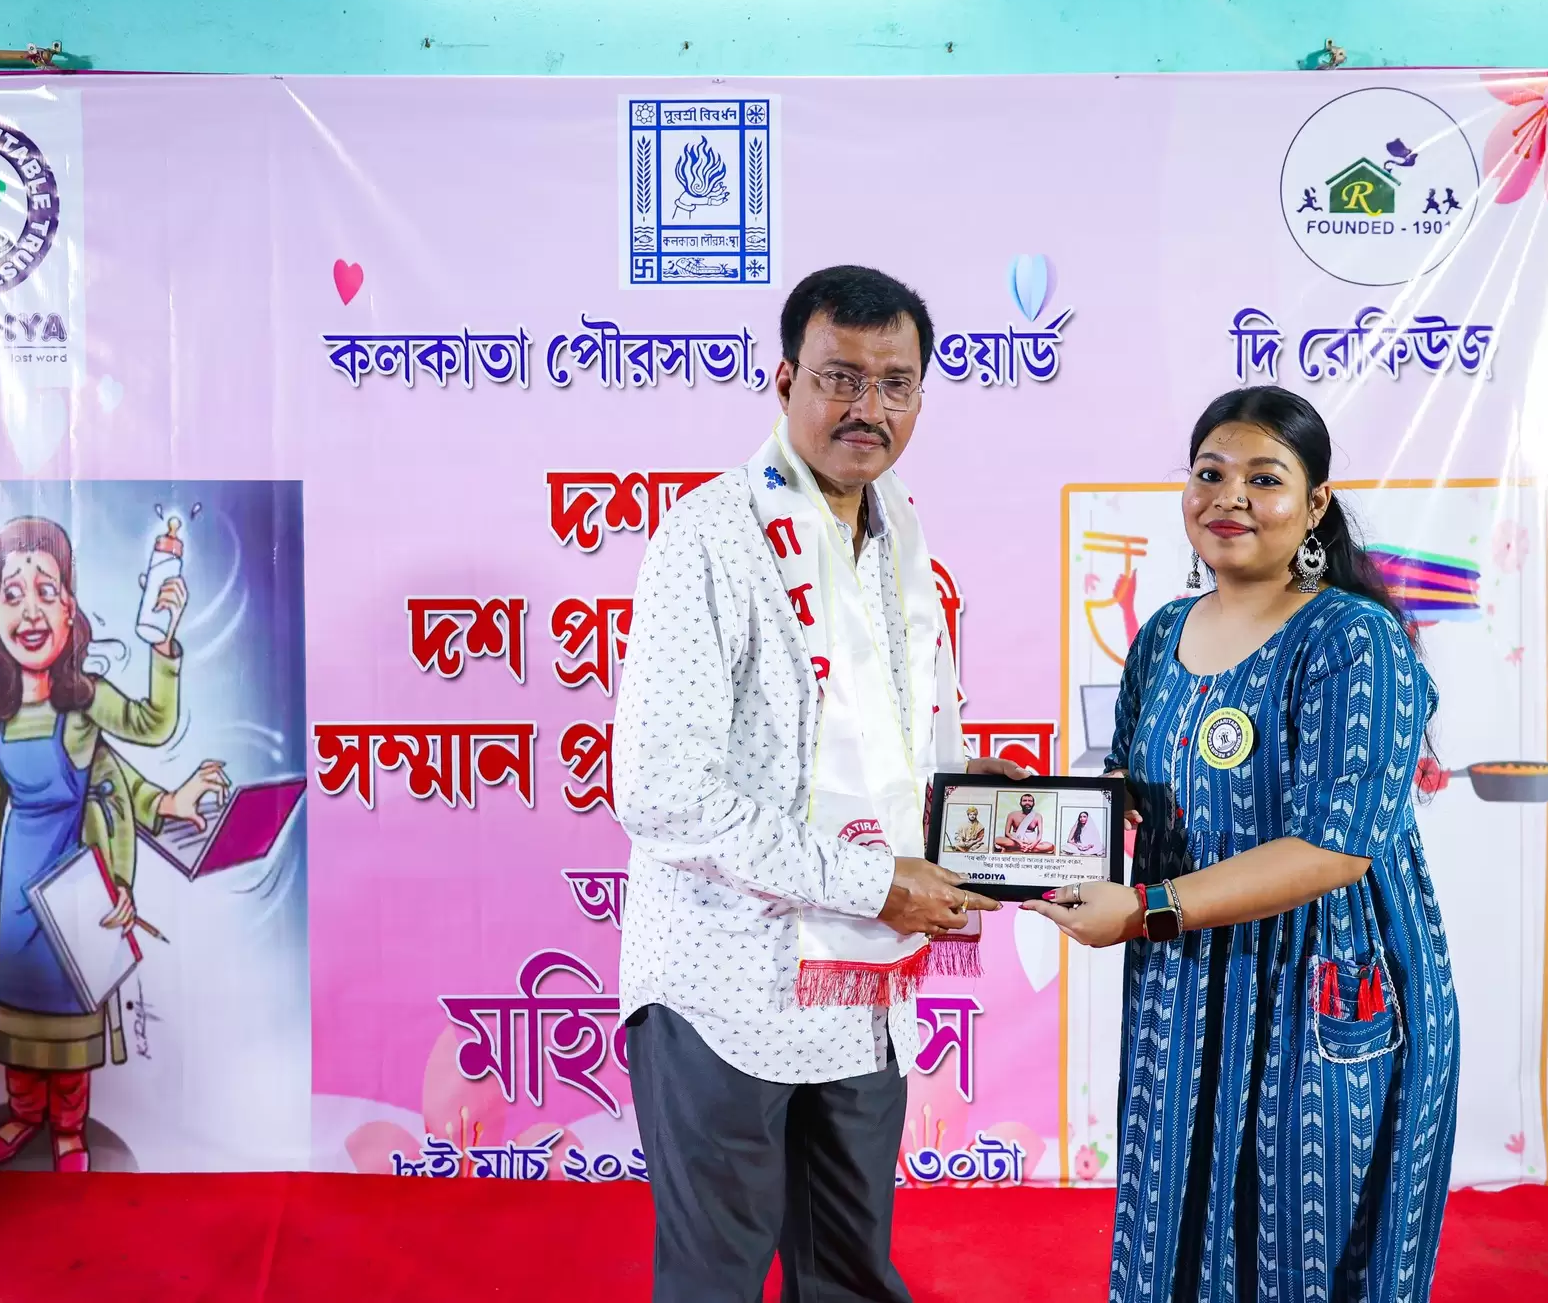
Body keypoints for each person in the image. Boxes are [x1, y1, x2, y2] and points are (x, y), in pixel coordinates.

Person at [616, 264, 1021, 1303]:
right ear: (786, 380)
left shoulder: (899, 536)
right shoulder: (708, 537)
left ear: (921, 396)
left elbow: (893, 742)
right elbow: (662, 790)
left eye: (895, 383)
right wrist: (872, 882)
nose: (866, 407)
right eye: (840, 377)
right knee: (712, 1281)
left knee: (847, 1275)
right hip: (722, 983)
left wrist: (977, 802)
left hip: (858, 995)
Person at [1027, 386, 1460, 1303]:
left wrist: (1145, 909)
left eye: (1264, 478)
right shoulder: (1161, 634)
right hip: (1184, 990)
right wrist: (1028, 818)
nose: (1229, 497)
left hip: (1317, 980)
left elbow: (1336, 849)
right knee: (1174, 1233)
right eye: (1210, 473)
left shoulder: (1356, 639)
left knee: (1300, 1245)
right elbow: (1137, 794)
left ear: (1315, 502)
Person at [0, 517, 226, 1173]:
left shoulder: (84, 703)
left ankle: (70, 1130)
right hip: (12, 898)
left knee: (71, 1025)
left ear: (70, 607)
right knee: (17, 1025)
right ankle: (24, 1115)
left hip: (78, 894)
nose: (30, 610)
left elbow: (150, 729)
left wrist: (163, 643)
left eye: (46, 591)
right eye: (12, 594)